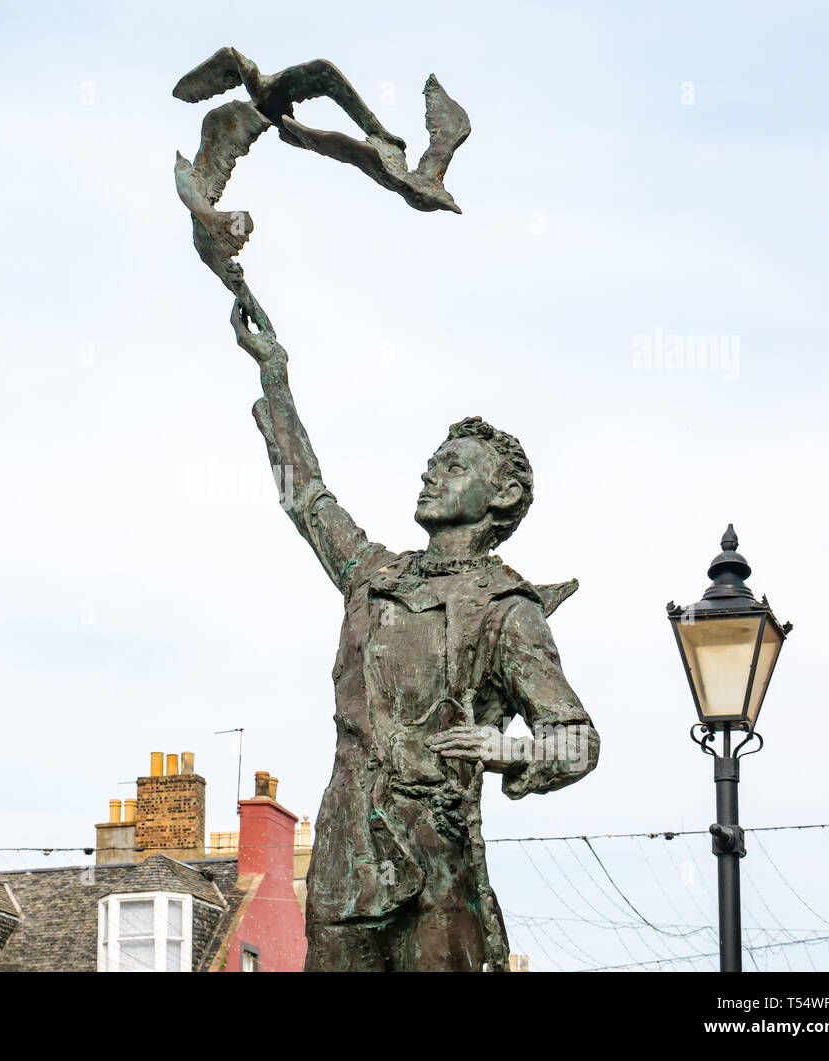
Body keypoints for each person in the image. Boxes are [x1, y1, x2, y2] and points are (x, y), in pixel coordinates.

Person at [229, 303, 600, 971]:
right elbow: (306, 496)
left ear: (502, 494)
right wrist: (276, 384)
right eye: (431, 463)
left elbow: (578, 740)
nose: (431, 474)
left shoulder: (505, 610)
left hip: (438, 877)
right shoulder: (371, 575)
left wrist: (502, 748)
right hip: (346, 870)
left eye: (452, 467)